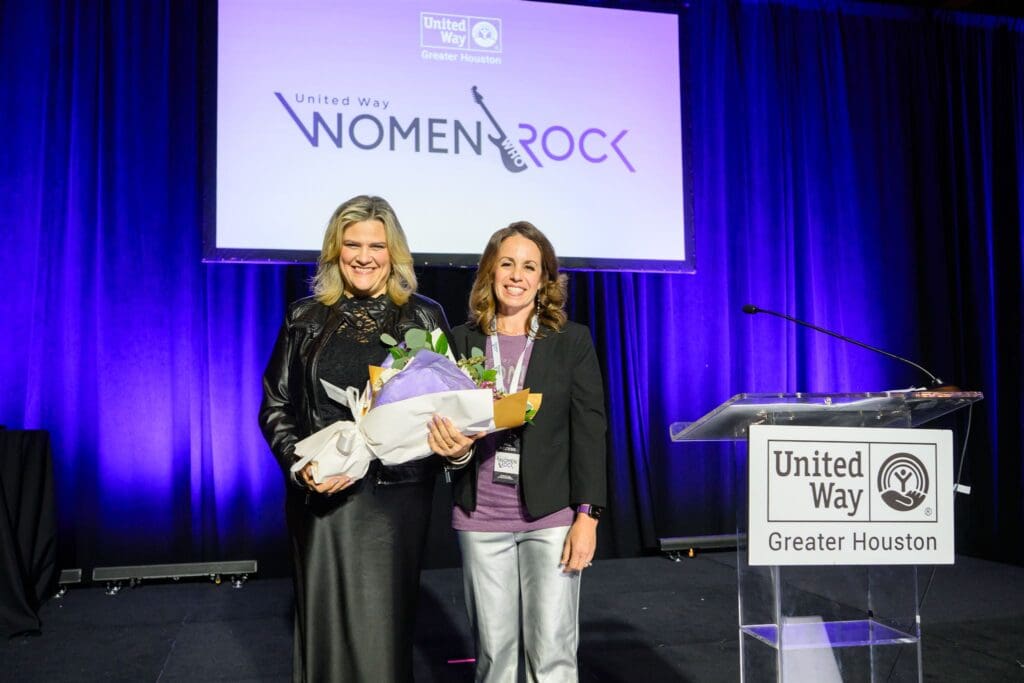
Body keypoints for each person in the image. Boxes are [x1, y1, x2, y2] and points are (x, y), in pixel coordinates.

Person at [259, 195, 451, 682]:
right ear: (335, 250)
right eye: (352, 245)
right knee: (324, 630)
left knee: (384, 632)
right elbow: (275, 405)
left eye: (376, 246)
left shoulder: (423, 317)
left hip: (394, 502)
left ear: (394, 253)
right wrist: (302, 468)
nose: (364, 257)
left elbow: (446, 404)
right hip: (322, 496)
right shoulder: (303, 317)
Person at [427, 221, 608, 683]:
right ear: (490, 270)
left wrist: (587, 516)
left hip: (550, 517)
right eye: (507, 263)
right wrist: (454, 451)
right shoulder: (460, 341)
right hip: (481, 518)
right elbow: (449, 434)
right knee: (495, 658)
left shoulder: (571, 340)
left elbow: (590, 431)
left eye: (530, 266)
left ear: (545, 279)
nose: (516, 275)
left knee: (553, 656)